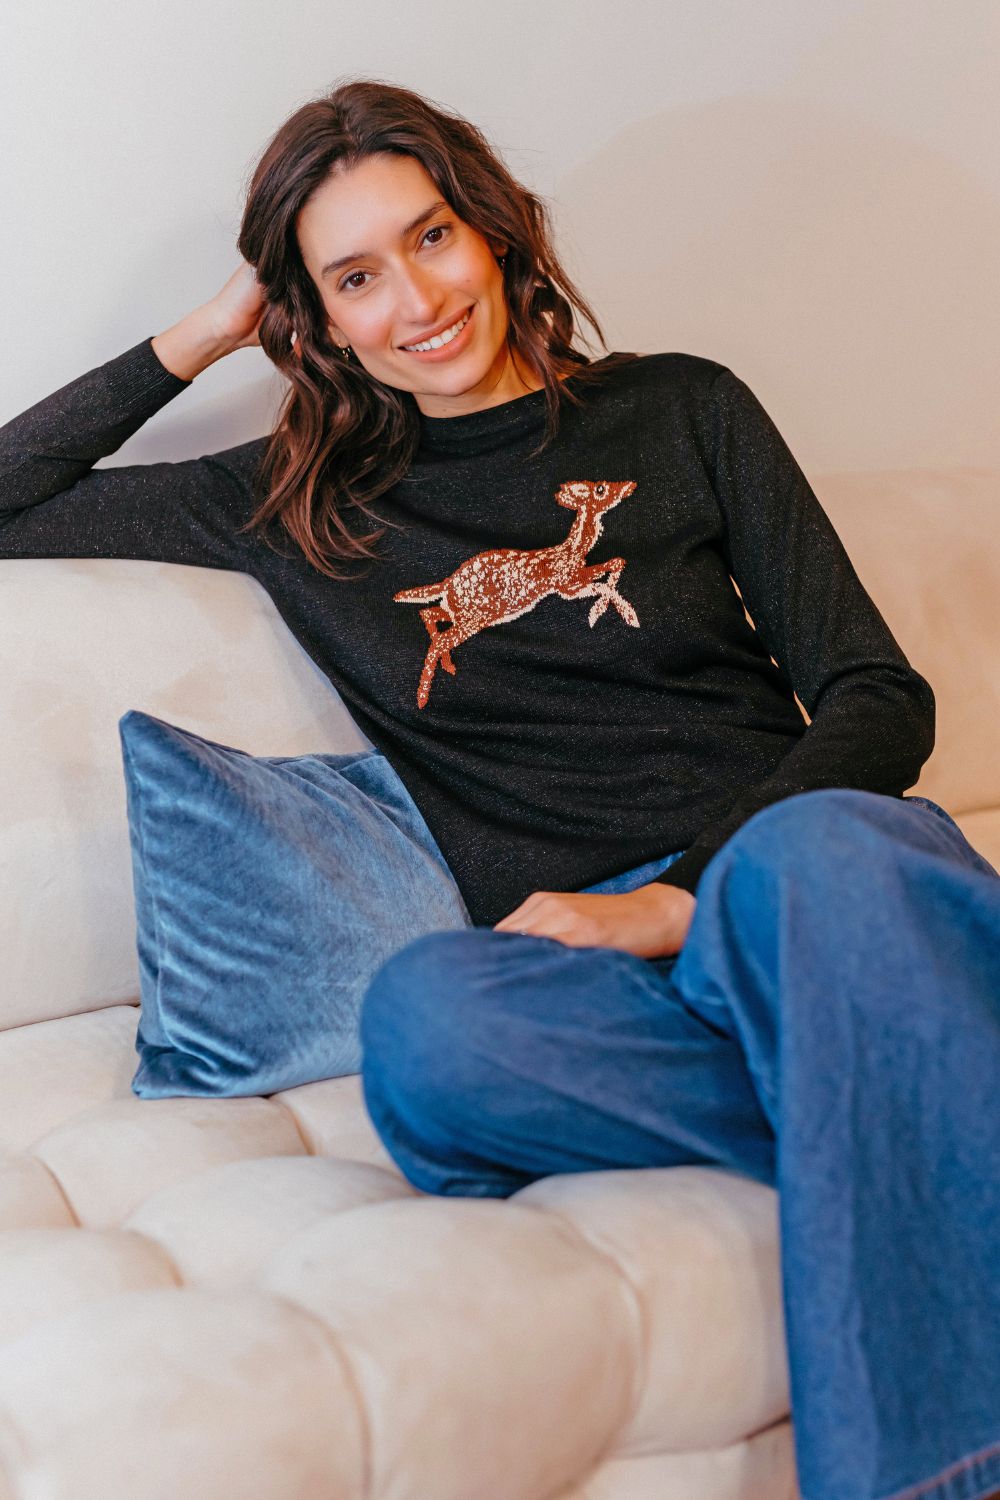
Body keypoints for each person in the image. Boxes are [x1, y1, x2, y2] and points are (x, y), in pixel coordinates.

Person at [1, 77, 997, 1500]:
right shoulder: (297, 502)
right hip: (585, 970)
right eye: (352, 277)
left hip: (794, 879)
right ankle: (931, 1050)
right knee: (425, 1027)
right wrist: (205, 330)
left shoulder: (680, 408)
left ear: (496, 232)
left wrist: (672, 900)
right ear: (313, 320)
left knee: (813, 869)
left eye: (432, 239)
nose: (414, 299)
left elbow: (877, 698)